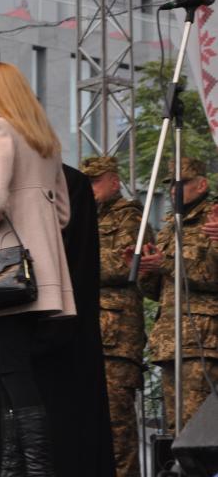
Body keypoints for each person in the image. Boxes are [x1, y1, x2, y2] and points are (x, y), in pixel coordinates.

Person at [0, 62, 73, 476]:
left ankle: (31, 471)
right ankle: (17, 470)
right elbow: (63, 214)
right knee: (17, 373)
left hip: (8, 274)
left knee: (12, 372)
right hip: (44, 274)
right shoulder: (44, 139)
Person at [0, 165, 116, 477]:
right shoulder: (49, 180)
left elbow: (76, 253)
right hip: (38, 313)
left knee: (37, 413)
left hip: (37, 316)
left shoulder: (63, 182)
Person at [135, 157, 218, 432]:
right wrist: (146, 270)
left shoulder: (213, 219)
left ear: (202, 184)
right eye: (171, 185)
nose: (173, 190)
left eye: (182, 184)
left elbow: (211, 276)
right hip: (171, 340)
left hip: (202, 340)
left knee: (197, 428)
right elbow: (159, 292)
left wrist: (167, 264)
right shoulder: (171, 225)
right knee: (174, 429)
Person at [80, 155, 151, 477]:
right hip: (86, 331)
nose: (90, 188)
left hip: (118, 338)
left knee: (116, 426)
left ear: (113, 181)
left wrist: (76, 263)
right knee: (87, 424)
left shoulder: (131, 216)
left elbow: (126, 265)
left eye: (95, 181)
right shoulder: (82, 218)